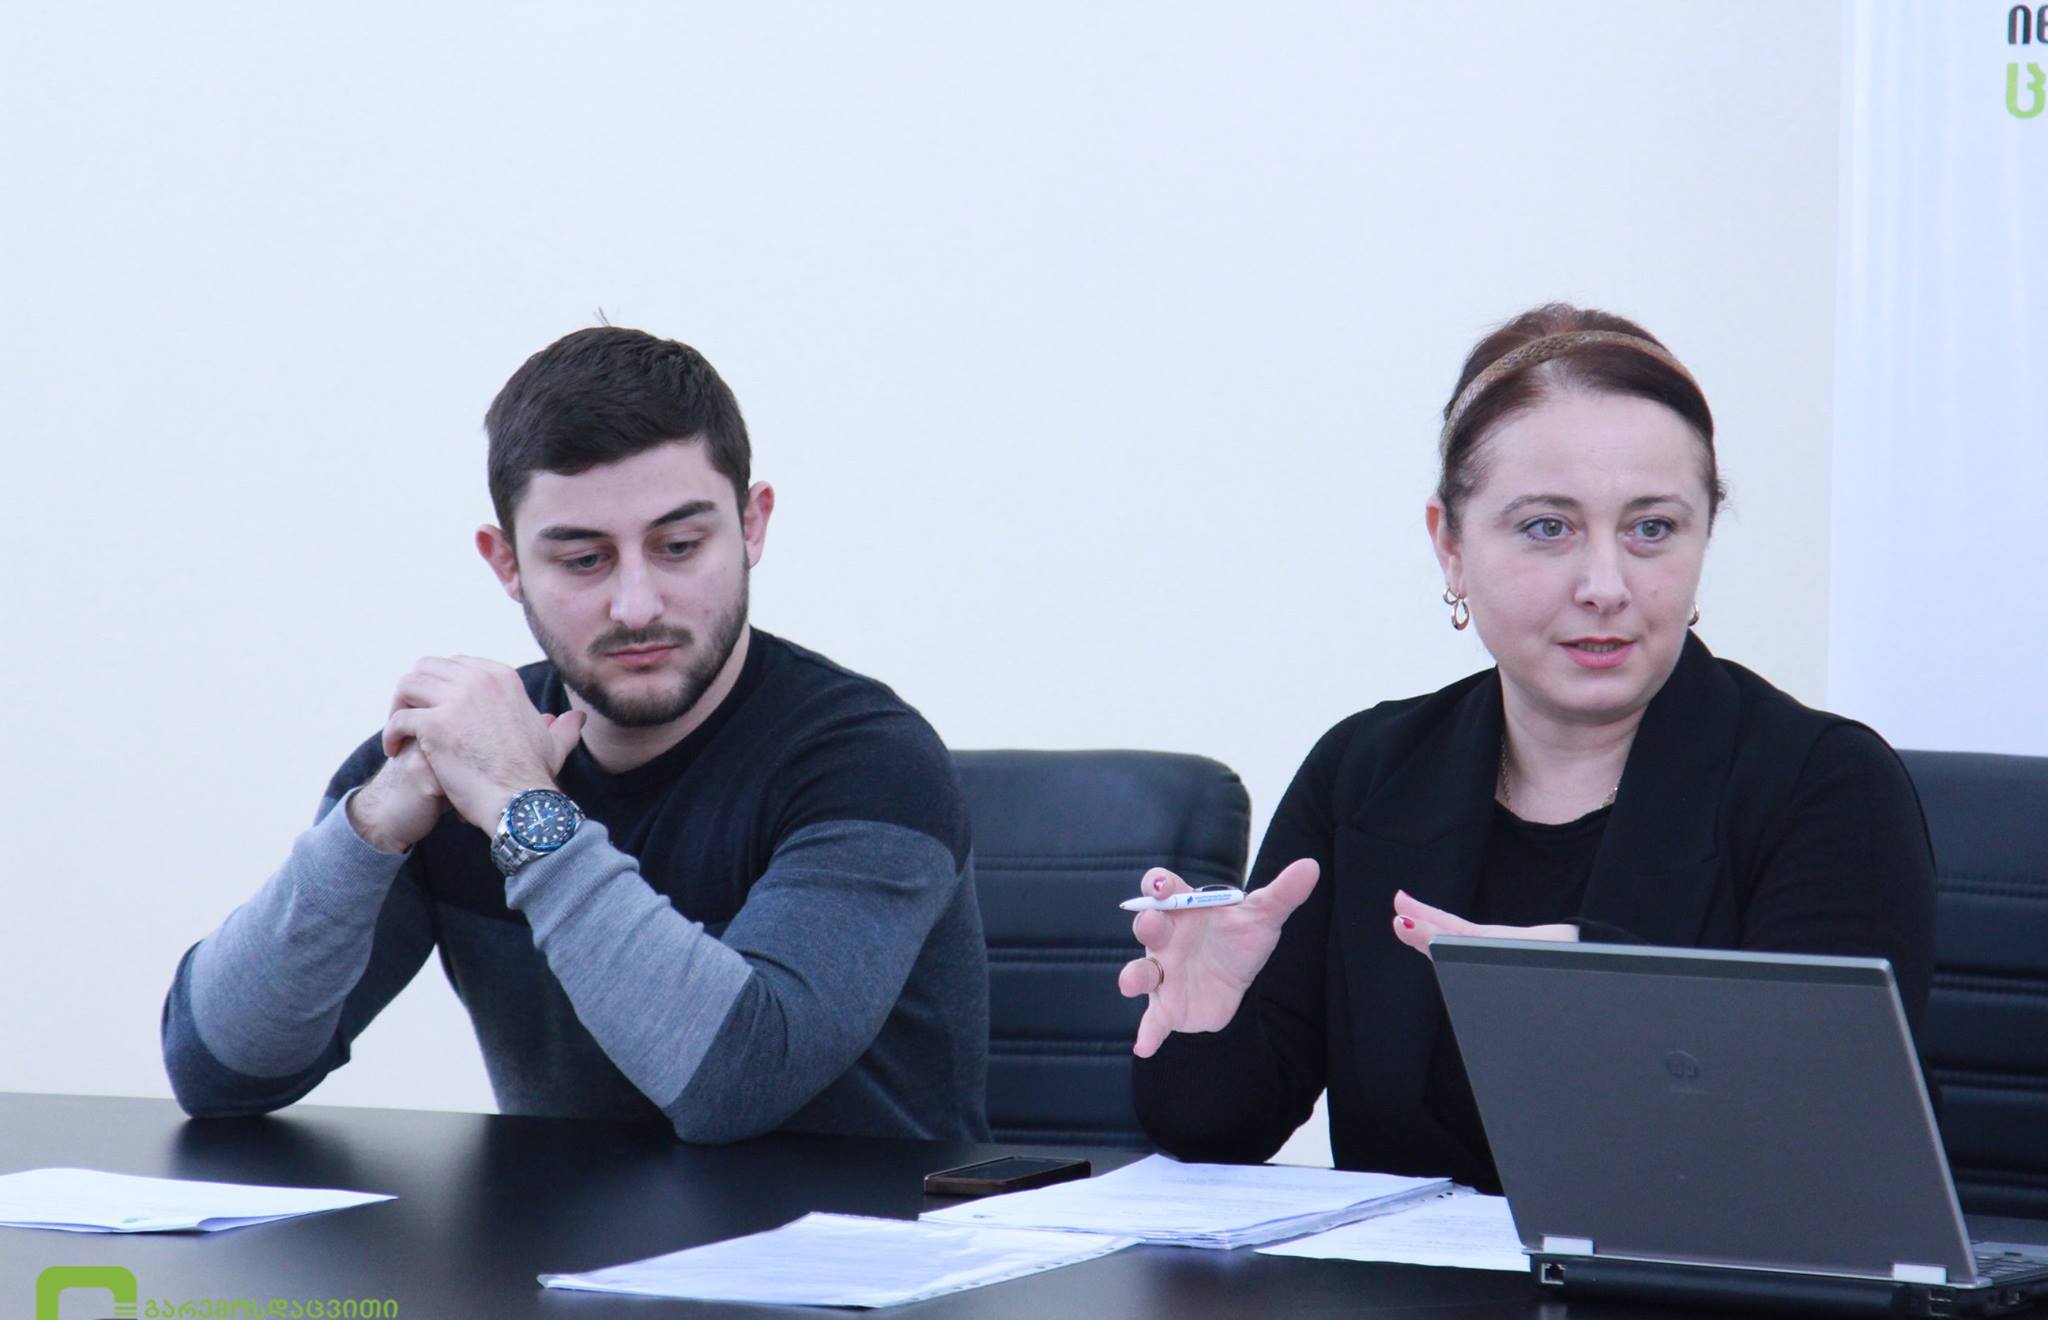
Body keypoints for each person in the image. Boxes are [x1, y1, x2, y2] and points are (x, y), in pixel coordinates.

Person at [1120, 304, 1936, 1192]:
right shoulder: (1364, 773)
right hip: (1400, 1288)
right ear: (1450, 545)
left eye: (1653, 528)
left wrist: (1619, 1008)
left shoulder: (1826, 786)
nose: (1605, 586)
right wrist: (1207, 1021)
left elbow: (1825, 1159)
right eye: (1548, 527)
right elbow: (1216, 1133)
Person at [163, 327, 990, 1143]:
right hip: (549, 1233)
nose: (637, 605)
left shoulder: (871, 765)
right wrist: (374, 821)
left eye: (679, 546)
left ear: (752, 525)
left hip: (844, 1232)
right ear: (506, 563)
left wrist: (524, 809)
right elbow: (217, 1072)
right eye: (584, 560)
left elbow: (738, 1082)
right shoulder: (460, 759)